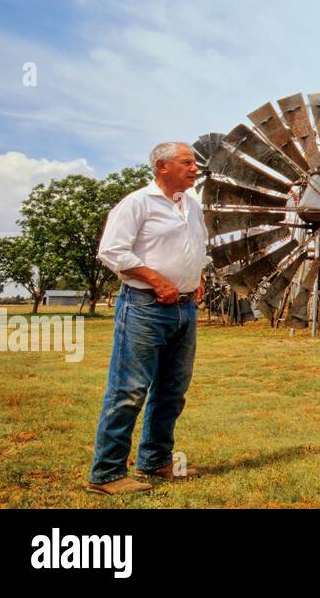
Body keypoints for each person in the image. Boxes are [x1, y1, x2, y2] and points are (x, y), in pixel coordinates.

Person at [87, 142, 208, 494]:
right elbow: (112, 251)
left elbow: (197, 247)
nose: (194, 168)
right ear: (162, 166)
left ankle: (155, 461)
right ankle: (107, 473)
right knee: (130, 388)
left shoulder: (192, 206)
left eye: (194, 163)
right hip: (145, 306)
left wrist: (195, 279)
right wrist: (157, 280)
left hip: (185, 308)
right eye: (187, 162)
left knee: (172, 389)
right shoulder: (138, 203)